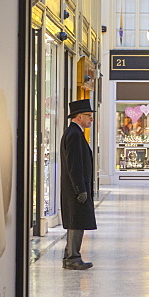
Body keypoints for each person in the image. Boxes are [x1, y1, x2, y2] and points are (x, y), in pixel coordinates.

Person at [60, 98, 97, 270]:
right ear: (78, 116)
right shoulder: (74, 134)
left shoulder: (75, 132)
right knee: (76, 222)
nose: (91, 119)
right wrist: (79, 189)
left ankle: (70, 255)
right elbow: (74, 164)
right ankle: (73, 257)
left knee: (77, 221)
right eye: (88, 115)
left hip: (75, 187)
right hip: (76, 189)